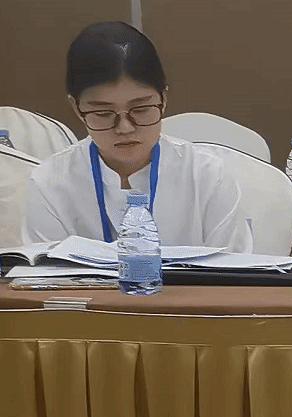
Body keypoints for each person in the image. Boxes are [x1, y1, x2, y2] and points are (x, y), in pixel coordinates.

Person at [21, 22, 253, 251]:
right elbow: (43, 271)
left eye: (141, 109)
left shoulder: (208, 177)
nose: (125, 128)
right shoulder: (49, 182)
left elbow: (236, 270)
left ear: (163, 99)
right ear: (77, 108)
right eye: (103, 113)